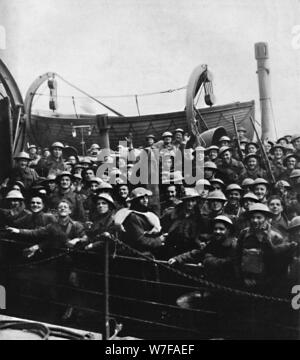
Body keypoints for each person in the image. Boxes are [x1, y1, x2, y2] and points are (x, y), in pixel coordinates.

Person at [236, 203, 293, 293]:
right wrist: (242, 277)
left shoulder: (275, 236)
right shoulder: (244, 234)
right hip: (246, 280)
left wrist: (265, 282)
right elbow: (237, 256)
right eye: (252, 217)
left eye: (259, 217)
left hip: (266, 284)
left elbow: (279, 264)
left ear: (266, 218)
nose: (255, 220)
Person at [115, 187, 165, 256]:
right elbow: (139, 240)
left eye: (146, 198)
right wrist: (158, 240)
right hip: (137, 254)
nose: (145, 200)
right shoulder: (132, 217)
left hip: (148, 249)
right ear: (135, 201)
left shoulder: (148, 215)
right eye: (142, 198)